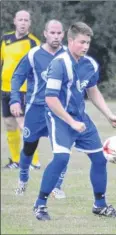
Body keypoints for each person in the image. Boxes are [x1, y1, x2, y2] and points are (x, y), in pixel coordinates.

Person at [32, 22, 116, 221]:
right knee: (62, 159)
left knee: (100, 159)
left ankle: (100, 205)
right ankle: (40, 205)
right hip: (60, 118)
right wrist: (71, 122)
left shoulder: (89, 64)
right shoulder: (59, 64)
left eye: (88, 42)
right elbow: (51, 99)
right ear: (70, 41)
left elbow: (93, 90)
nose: (85, 46)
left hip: (81, 118)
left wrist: (109, 114)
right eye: (81, 42)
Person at [10, 20, 68, 199]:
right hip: (36, 109)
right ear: (45, 33)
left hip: (59, 110)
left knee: (62, 150)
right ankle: (23, 179)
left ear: (63, 35)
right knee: (29, 148)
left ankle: (57, 186)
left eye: (59, 33)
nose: (56, 36)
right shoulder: (33, 54)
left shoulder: (68, 55)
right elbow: (17, 77)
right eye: (52, 33)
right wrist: (15, 100)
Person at [1, 10, 41, 169]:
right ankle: (16, 160)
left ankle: (34, 161)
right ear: (14, 21)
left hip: (23, 90)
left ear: (30, 23)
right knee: (9, 124)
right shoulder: (5, 39)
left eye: (26, 20)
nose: (23, 22)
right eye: (20, 19)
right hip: (5, 89)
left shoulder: (33, 43)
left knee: (24, 125)